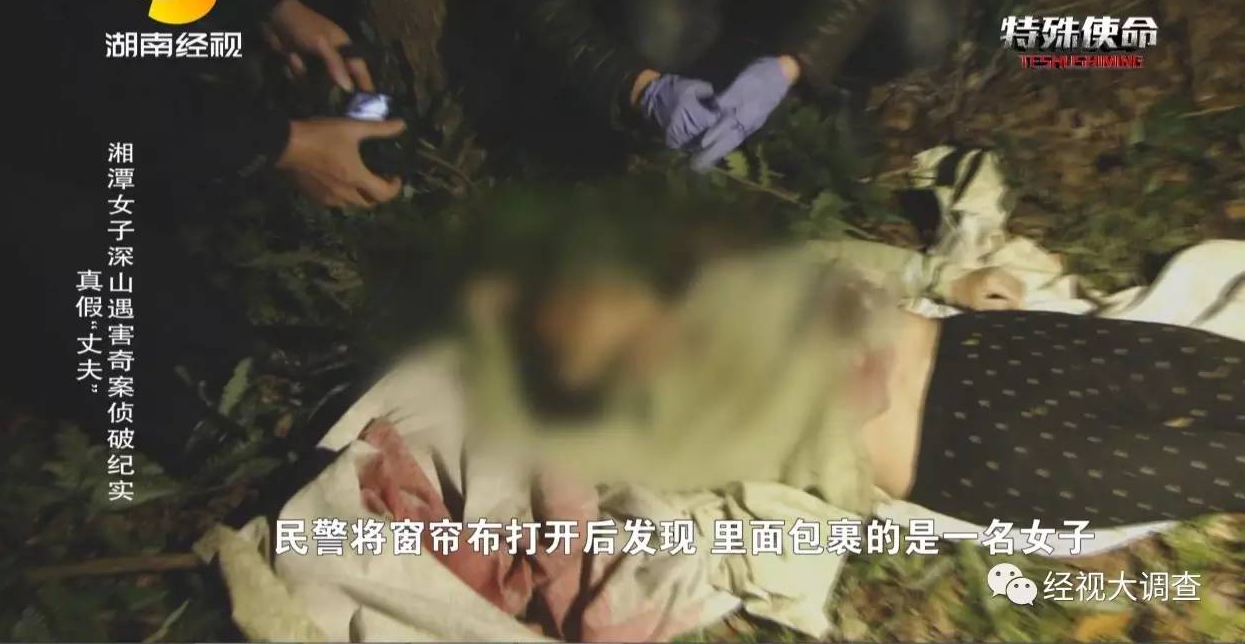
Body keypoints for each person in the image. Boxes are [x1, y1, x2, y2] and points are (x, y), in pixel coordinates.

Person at [0, 0, 405, 471]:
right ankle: (167, 417)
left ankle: (224, 351)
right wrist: (280, 145)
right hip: (4, 118)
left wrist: (267, 2)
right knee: (43, 236)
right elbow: (64, 84)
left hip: (72, 69)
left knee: (141, 240)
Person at [466, 242, 1245, 528]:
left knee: (1216, 369)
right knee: (1223, 467)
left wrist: (945, 276)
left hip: (987, 346)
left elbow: (831, 259)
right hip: (969, 452)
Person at [516, 0, 955, 171]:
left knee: (922, 29)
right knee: (656, 38)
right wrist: (639, 85)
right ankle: (721, 74)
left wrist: (790, 67)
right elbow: (549, 7)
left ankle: (835, 86)